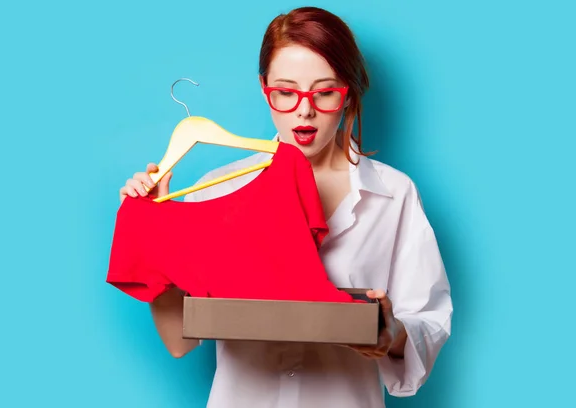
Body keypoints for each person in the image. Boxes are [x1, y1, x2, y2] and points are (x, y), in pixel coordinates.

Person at [118, 6, 452, 408]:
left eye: (325, 91)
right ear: (265, 89)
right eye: (286, 91)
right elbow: (178, 342)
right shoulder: (212, 191)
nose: (304, 110)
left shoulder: (394, 194)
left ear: (348, 93)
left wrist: (390, 332)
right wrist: (156, 236)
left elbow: (429, 321)